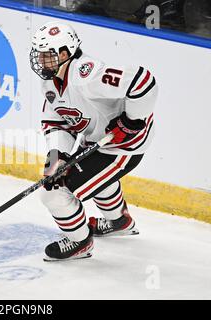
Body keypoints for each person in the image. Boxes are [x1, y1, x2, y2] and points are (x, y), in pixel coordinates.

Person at [30, 21, 158, 261]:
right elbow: (57, 121)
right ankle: (119, 221)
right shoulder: (49, 82)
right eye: (38, 54)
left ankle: (80, 241)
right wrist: (57, 155)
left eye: (47, 55)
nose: (40, 60)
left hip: (124, 145)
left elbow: (143, 82)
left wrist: (132, 121)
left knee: (55, 193)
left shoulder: (86, 74)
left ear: (65, 54)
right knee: (93, 176)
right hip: (99, 139)